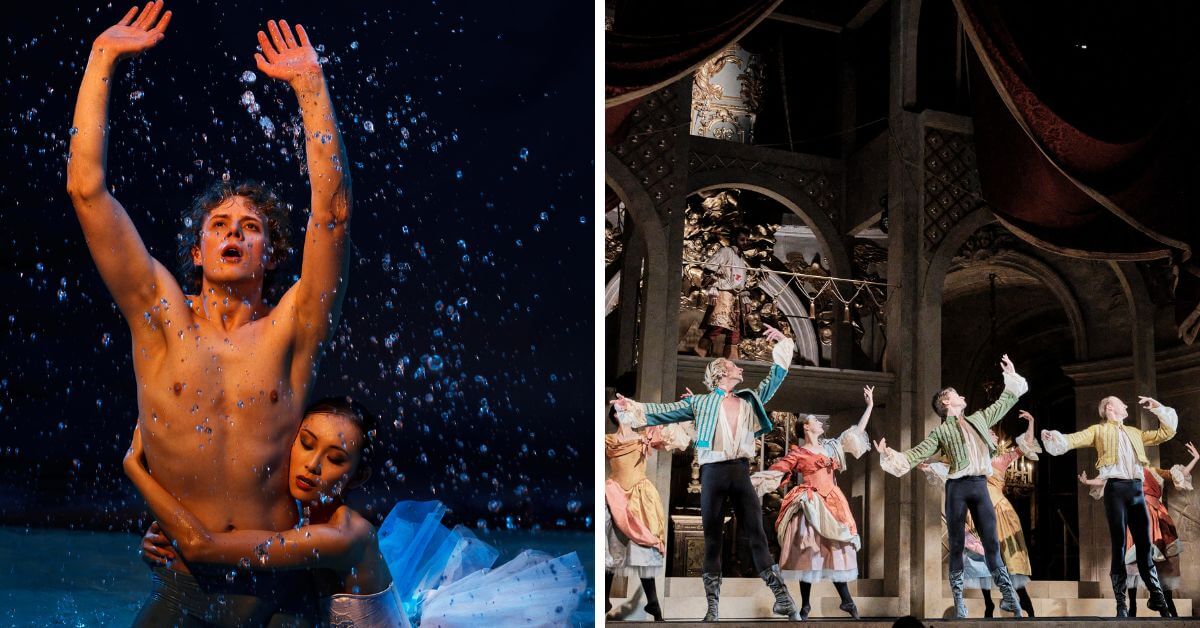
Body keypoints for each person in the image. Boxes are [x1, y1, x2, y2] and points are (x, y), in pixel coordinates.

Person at [67, 4, 353, 622]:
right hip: (184, 579)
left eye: (250, 228)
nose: (233, 234)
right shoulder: (158, 315)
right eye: (218, 225)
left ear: (270, 253)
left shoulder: (291, 328)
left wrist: (309, 86)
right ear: (196, 251)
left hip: (279, 589)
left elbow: (331, 217)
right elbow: (87, 193)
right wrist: (101, 59)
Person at [129, 398, 588, 627]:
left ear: (356, 477)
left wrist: (135, 467)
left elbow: (204, 546)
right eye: (306, 444)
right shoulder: (297, 517)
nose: (312, 464)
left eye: (335, 458)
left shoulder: (344, 536)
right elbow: (220, 543)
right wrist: (162, 544)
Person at [610, 325, 801, 621]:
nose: (739, 367)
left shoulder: (749, 399)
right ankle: (712, 607)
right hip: (712, 472)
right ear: (721, 373)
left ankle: (783, 598)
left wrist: (783, 342)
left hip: (739, 470)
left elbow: (774, 378)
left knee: (756, 533)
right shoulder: (700, 402)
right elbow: (666, 410)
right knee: (712, 538)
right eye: (733, 365)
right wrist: (631, 407)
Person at [874, 354, 1028, 618]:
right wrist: (890, 455)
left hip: (980, 487)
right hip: (958, 488)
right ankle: (959, 601)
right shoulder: (941, 432)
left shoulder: (979, 418)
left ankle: (1009, 595)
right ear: (946, 401)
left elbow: (1005, 402)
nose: (961, 395)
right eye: (956, 393)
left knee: (992, 543)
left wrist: (1011, 376)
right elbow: (917, 453)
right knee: (957, 545)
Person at [1040, 396, 1178, 617]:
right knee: (1120, 546)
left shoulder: (1135, 432)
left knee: (1144, 547)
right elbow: (1074, 439)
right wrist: (1053, 437)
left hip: (1136, 491)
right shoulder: (1098, 430)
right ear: (1109, 407)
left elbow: (1166, 433)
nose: (1126, 405)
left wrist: (1159, 408)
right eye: (1121, 403)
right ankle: (1121, 604)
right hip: (1115, 490)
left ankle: (1157, 598)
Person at [752, 386, 875, 619]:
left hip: (832, 501)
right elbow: (778, 471)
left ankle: (847, 601)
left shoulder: (831, 447)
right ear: (806, 427)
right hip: (809, 503)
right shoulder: (798, 453)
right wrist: (752, 481)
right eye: (814, 421)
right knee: (809, 551)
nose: (819, 423)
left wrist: (869, 406)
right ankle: (806, 604)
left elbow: (856, 432)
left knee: (836, 548)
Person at [918, 409, 1041, 617]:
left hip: (1001, 513)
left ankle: (1020, 604)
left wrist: (1031, 423)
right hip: (978, 510)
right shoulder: (973, 458)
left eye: (994, 435)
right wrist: (928, 467)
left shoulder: (1000, 459)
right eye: (990, 434)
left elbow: (1024, 447)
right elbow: (948, 466)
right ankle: (988, 606)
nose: (993, 436)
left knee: (1007, 558)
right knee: (982, 557)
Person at [1078, 441, 1197, 617]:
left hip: (1158, 518)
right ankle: (1131, 605)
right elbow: (1106, 480)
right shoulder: (1127, 473)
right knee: (1132, 559)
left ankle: (1166, 605)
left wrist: (1195, 458)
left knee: (1163, 560)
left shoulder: (1155, 472)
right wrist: (1087, 481)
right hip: (1138, 515)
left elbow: (1179, 475)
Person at [604, 413, 689, 621]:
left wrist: (686, 414)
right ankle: (604, 600)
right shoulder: (608, 440)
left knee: (644, 551)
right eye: (623, 407)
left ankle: (653, 605)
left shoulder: (645, 437)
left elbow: (674, 439)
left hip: (640, 498)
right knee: (613, 550)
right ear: (616, 414)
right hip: (615, 496)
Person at [697, 227, 751, 359]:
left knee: (734, 332)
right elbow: (710, 269)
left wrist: (745, 298)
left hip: (735, 298)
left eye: (747, 240)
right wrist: (713, 284)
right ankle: (698, 356)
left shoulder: (741, 260)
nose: (745, 242)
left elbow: (740, 283)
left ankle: (731, 364)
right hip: (724, 295)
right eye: (742, 239)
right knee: (717, 327)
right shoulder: (725, 251)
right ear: (734, 239)